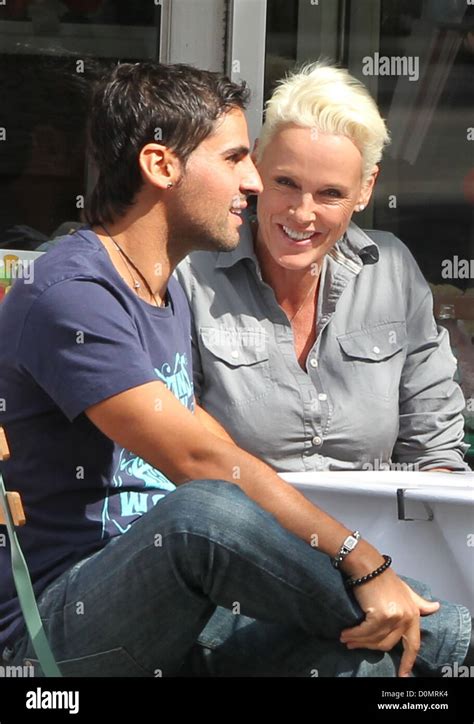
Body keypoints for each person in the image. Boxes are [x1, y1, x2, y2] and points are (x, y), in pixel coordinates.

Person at [0, 62, 471, 679]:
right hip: (66, 624)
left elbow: (209, 440)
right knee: (203, 511)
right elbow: (198, 463)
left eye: (329, 191)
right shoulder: (74, 292)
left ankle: (436, 637)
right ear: (161, 166)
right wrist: (363, 560)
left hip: (188, 604)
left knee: (367, 661)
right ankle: (457, 638)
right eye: (235, 159)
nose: (252, 184)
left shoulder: (163, 286)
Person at [175, 62, 470, 474]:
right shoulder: (190, 276)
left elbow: (435, 451)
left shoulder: (391, 271)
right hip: (238, 530)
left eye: (330, 193)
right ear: (256, 163)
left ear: (366, 188)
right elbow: (178, 447)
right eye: (286, 183)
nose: (302, 213)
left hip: (375, 535)